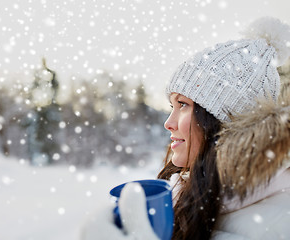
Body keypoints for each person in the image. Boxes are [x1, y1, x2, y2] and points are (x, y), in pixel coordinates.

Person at [80, 16, 290, 240]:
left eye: (183, 105)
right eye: (172, 105)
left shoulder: (277, 221)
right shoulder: (196, 195)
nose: (168, 123)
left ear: (227, 120)